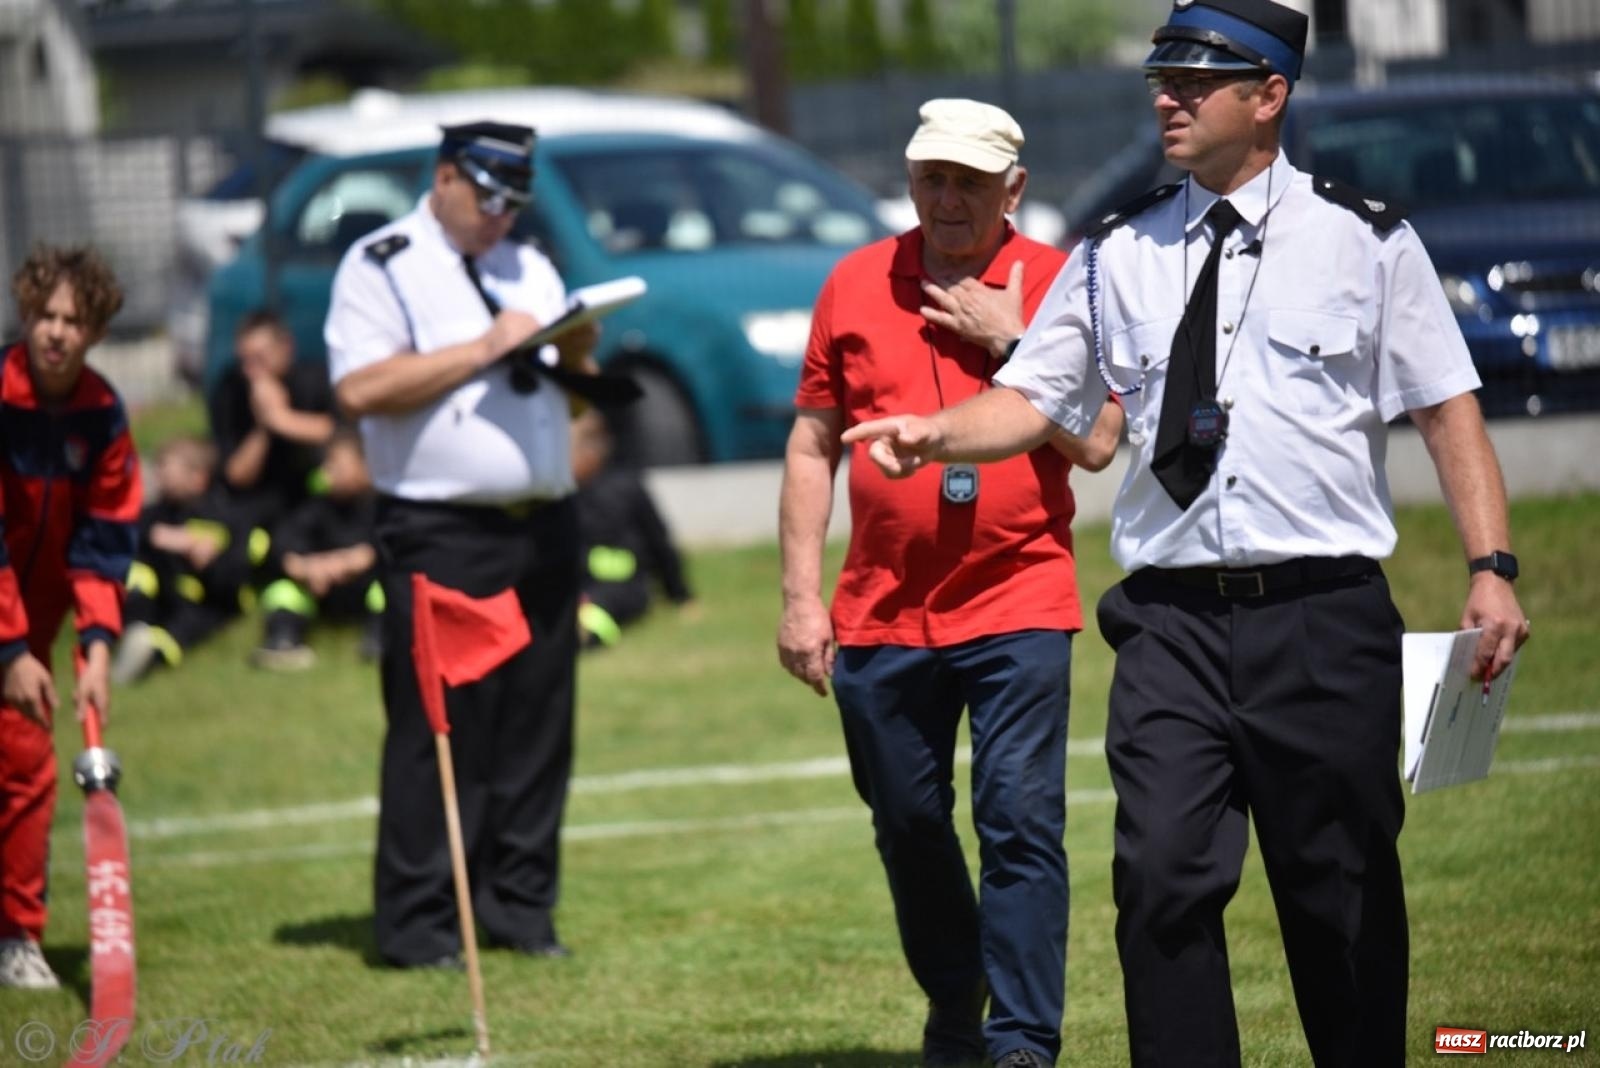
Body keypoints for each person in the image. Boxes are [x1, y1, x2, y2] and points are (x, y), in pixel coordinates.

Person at [842, 4, 1532, 1065]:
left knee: (1337, 891)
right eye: (1160, 77)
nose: (1165, 97)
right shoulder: (1116, 249)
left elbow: (1447, 413)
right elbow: (1035, 399)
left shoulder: (1367, 239)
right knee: (1160, 881)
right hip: (1169, 628)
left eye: (1194, 81)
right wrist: (937, 434)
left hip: (1322, 616)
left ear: (1268, 98)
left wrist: (1490, 570)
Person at [777, 99, 1124, 1068]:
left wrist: (1017, 339)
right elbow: (810, 444)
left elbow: (1098, 444)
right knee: (908, 822)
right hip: (881, 612)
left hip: (1019, 598)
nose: (946, 198)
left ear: (1013, 190)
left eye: (968, 182)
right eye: (931, 177)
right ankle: (953, 987)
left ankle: (1018, 1045)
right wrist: (801, 596)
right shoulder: (851, 284)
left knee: (1018, 820)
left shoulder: (1058, 282)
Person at [325, 119, 602, 968]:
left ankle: (519, 909)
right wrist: (483, 346)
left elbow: (575, 395)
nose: (500, 217)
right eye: (487, 197)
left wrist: (579, 347)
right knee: (438, 728)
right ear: (444, 178)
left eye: (514, 202)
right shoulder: (381, 263)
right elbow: (362, 386)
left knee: (536, 726)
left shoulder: (531, 263)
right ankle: (421, 925)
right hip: (442, 529)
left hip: (543, 524)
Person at [0, 245, 142, 989]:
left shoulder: (103, 414)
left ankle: (16, 936)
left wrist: (93, 648)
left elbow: (105, 538)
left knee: (27, 768)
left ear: (95, 333)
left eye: (72, 321)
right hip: (8, 623)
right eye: (44, 315)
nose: (55, 332)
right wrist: (10, 649)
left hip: (39, 618)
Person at [112, 436, 252, 683]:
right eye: (158, 467)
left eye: (168, 468)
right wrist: (163, 537)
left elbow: (234, 571)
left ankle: (148, 657)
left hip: (205, 603)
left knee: (184, 629)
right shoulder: (154, 515)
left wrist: (205, 551)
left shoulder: (223, 515)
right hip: (163, 597)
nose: (160, 474)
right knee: (137, 572)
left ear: (198, 478)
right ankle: (133, 632)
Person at [252, 428, 383, 671]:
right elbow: (285, 548)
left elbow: (379, 549)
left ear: (366, 467)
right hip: (319, 588)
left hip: (362, 588)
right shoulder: (314, 507)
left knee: (387, 587)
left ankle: (380, 639)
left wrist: (349, 562)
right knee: (283, 591)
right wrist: (307, 568)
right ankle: (283, 640)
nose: (330, 472)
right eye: (328, 465)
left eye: (339, 466)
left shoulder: (379, 508)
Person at [571, 409, 694, 649]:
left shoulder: (626, 488)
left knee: (599, 609)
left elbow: (659, 543)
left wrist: (680, 594)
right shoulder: (562, 494)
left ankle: (583, 636)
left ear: (593, 451)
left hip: (622, 587)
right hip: (577, 586)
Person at [210, 308, 336, 529]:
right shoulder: (230, 390)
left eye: (259, 359)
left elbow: (340, 435)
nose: (251, 370)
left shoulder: (317, 380)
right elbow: (236, 474)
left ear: (286, 347)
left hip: (318, 498)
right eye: (245, 361)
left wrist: (282, 419)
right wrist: (264, 427)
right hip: (259, 504)